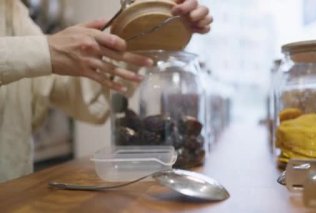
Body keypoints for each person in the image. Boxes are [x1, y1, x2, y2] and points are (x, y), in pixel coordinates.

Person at [0, 0, 212, 183]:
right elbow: (39, 57)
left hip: (13, 189)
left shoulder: (13, 10)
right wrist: (46, 50)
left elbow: (78, 99)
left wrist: (147, 36)